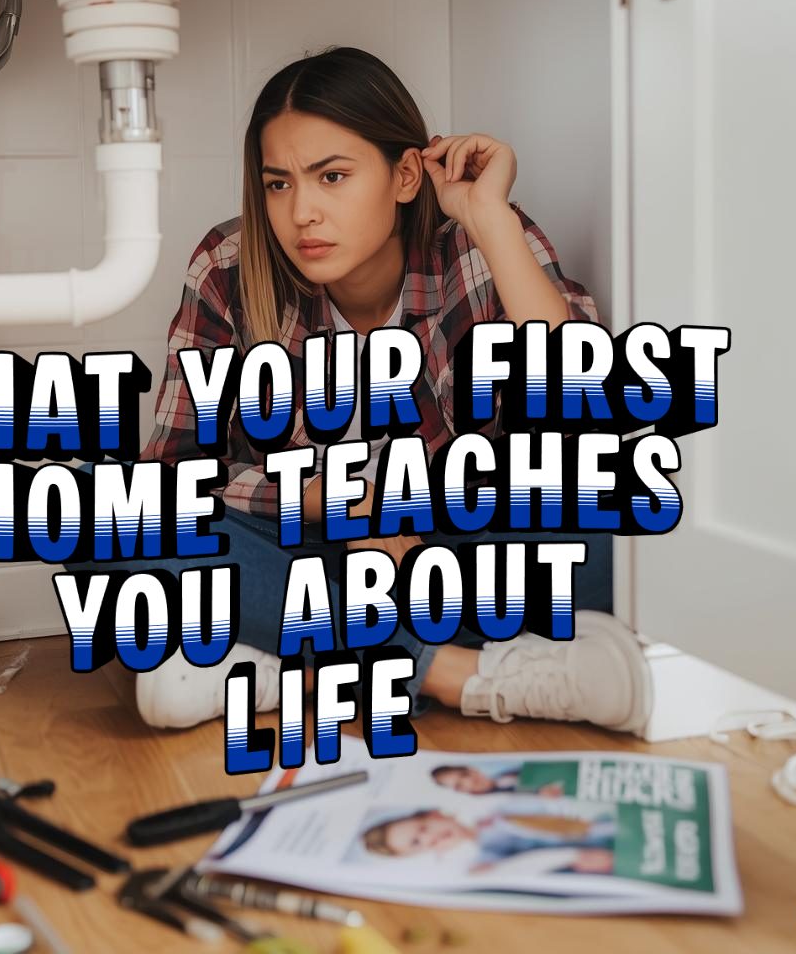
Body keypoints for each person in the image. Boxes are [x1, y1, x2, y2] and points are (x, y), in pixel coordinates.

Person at [128, 46, 651, 732]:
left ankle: (288, 666)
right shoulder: (229, 268)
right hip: (312, 551)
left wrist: (489, 218)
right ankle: (449, 673)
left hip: (457, 557)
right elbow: (170, 477)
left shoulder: (476, 244)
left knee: (630, 536)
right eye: (279, 184)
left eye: (332, 176)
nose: (302, 213)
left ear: (405, 175)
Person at [360, 807, 615, 877]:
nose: (429, 837)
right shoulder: (481, 862)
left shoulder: (497, 813)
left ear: (435, 814)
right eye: (417, 843)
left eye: (423, 828)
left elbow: (569, 819)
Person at [431, 763, 565, 797]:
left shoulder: (506, 773)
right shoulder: (495, 804)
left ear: (472, 770)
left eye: (464, 775)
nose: (469, 783)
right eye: (459, 786)